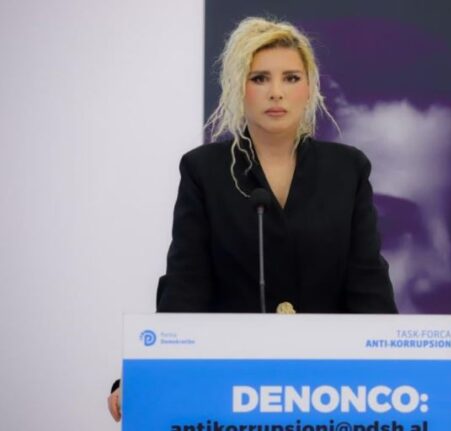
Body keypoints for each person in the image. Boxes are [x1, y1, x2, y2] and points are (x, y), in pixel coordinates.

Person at [107, 16, 397, 422]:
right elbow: (186, 286)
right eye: (260, 78)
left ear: (309, 88)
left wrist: (400, 371)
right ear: (237, 87)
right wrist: (146, 373)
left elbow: (368, 286)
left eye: (291, 78)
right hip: (231, 388)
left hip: (328, 390)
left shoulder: (348, 169)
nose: (276, 92)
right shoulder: (204, 170)